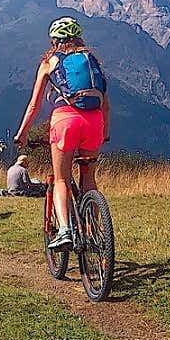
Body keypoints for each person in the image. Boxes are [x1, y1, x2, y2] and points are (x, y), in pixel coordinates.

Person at [13, 16, 110, 251]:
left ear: (54, 40)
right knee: (88, 178)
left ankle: (65, 230)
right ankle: (93, 232)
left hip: (65, 121)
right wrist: (104, 131)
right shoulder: (91, 60)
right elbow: (105, 104)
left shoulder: (50, 62)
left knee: (61, 179)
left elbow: (34, 106)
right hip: (94, 121)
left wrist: (22, 134)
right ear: (78, 37)